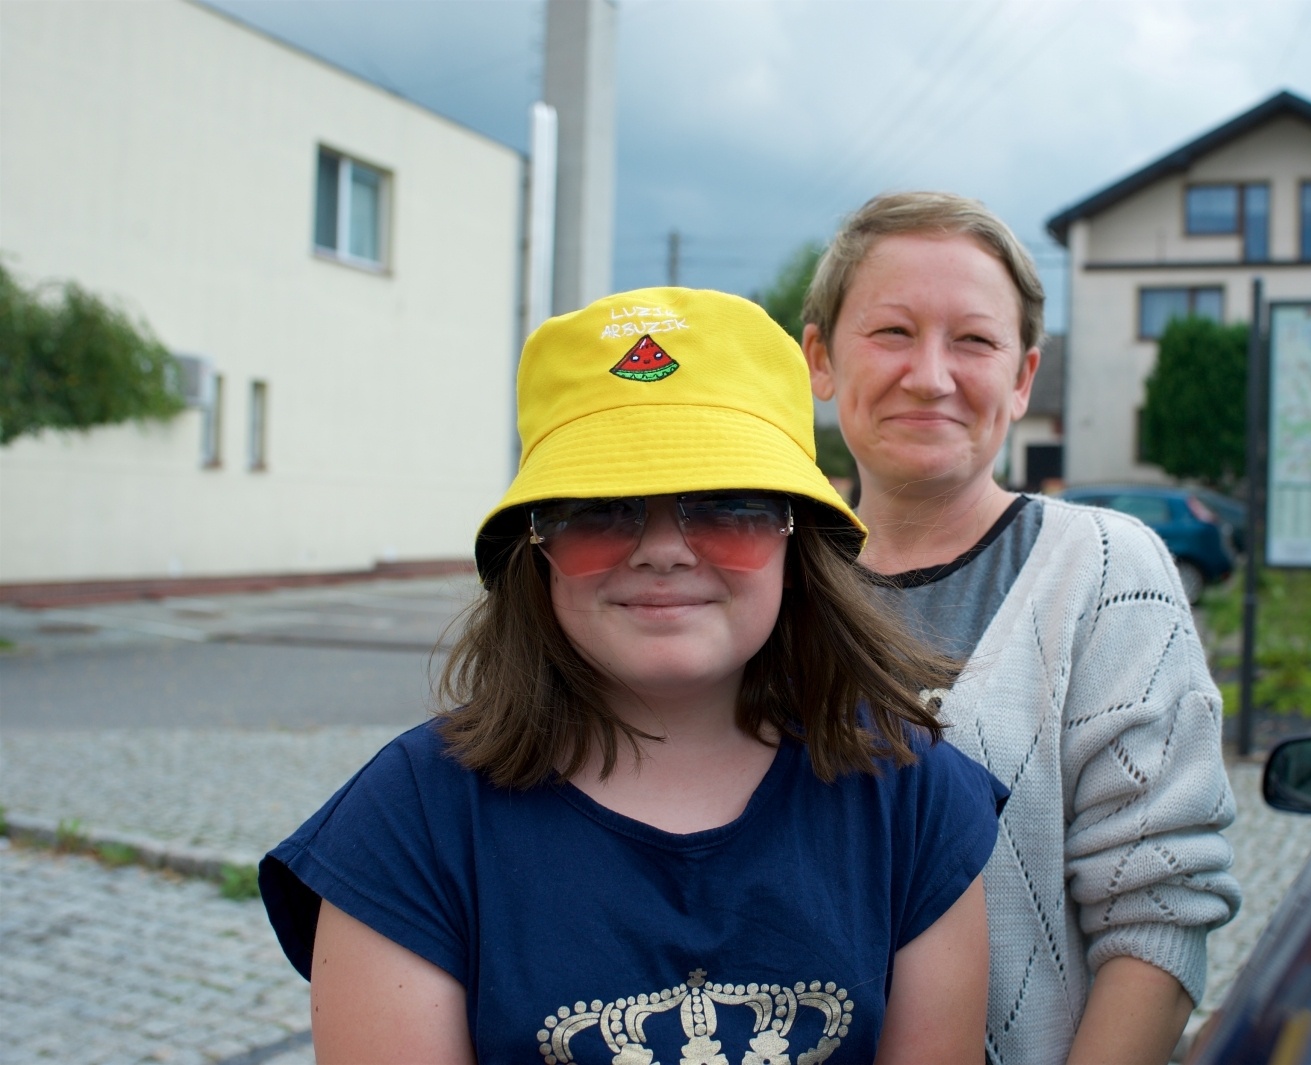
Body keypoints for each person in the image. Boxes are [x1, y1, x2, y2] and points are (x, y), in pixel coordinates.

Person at [259, 287, 1006, 1065]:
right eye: (601, 507)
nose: (663, 550)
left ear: (798, 538)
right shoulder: (407, 823)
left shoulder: (912, 800)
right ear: (534, 548)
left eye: (725, 504)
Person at [801, 192, 1242, 1065]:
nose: (931, 375)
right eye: (892, 332)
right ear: (819, 358)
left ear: (1023, 376)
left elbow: (1160, 907)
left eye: (974, 340)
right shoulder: (769, 584)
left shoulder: (1105, 572)